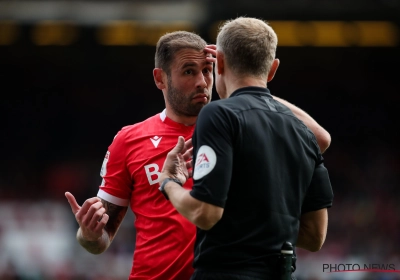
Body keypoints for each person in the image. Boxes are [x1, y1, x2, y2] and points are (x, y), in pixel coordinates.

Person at [65, 30, 331, 280]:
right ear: (160, 78)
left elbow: (318, 140)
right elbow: (100, 240)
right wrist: (89, 234)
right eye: (189, 71)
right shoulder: (129, 140)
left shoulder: (240, 124)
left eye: (207, 70)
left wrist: (252, 89)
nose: (202, 82)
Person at [159, 17, 334, 280]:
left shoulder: (217, 114)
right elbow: (314, 237)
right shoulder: (302, 131)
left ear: (219, 63)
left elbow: (205, 213)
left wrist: (169, 183)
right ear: (272, 70)